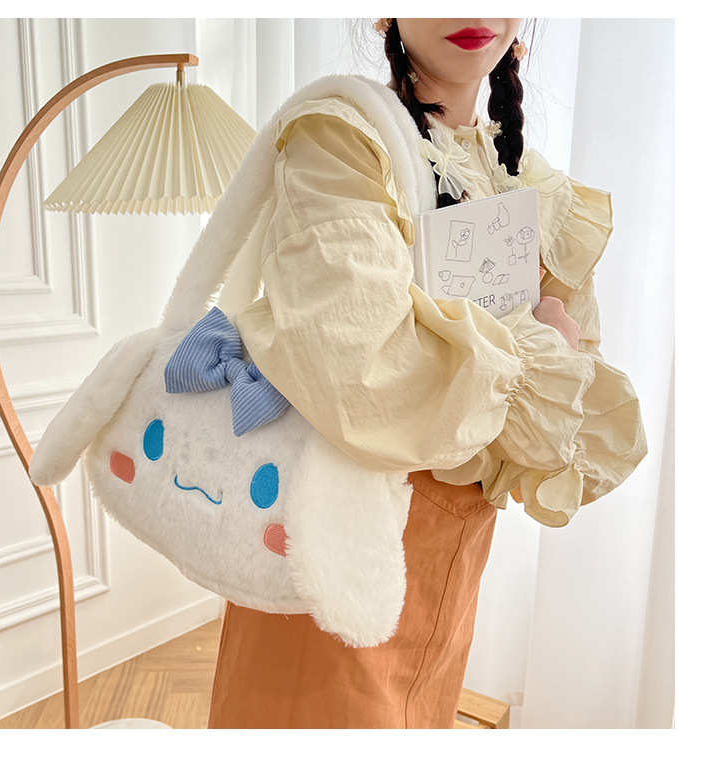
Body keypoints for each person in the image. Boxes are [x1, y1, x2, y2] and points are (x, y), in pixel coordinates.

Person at [205, 18, 647, 729]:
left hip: (451, 543)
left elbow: (572, 390)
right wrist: (533, 351)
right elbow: (356, 371)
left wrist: (522, 359)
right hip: (335, 528)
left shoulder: (526, 180)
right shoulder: (345, 141)